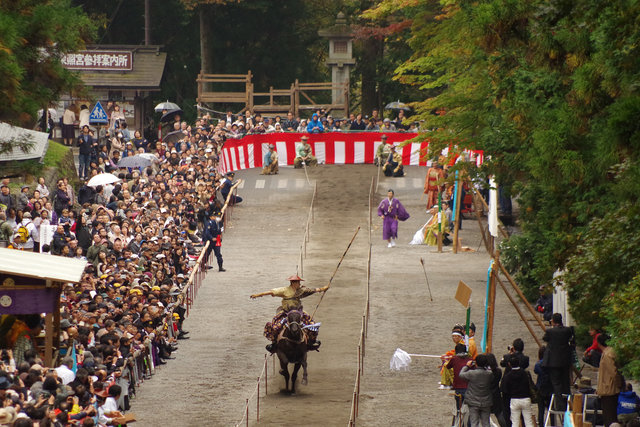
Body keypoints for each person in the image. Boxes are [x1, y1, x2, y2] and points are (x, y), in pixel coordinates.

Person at [251, 275, 328, 353]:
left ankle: (311, 342)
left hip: (298, 312)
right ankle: (274, 343)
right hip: (286, 312)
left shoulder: (301, 290)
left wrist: (323, 289)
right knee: (274, 325)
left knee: (312, 324)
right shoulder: (285, 290)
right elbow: (271, 292)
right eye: (298, 283)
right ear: (293, 283)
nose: (299, 284)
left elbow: (313, 290)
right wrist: (258, 295)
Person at [542, 313, 574, 413]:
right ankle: (568, 402)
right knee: (566, 382)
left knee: (556, 383)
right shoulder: (567, 330)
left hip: (554, 361)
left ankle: (560, 405)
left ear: (553, 321)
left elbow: (545, 339)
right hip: (565, 360)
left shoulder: (550, 331)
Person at [459, 354, 494, 427]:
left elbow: (461, 375)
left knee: (474, 423)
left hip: (473, 401)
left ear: (476, 363)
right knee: (486, 423)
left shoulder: (472, 373)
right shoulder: (489, 374)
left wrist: (467, 366)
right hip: (486, 401)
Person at [596, 334, 623, 427]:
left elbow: (613, 373)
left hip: (609, 389)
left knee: (609, 417)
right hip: (610, 388)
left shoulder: (607, 355)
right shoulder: (610, 352)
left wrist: (619, 385)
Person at [501, 357, 534, 427]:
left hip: (514, 399)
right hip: (525, 398)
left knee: (515, 422)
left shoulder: (508, 376)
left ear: (509, 364)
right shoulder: (525, 373)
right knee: (528, 421)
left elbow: (505, 389)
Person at [534, 346, 552, 427]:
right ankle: (553, 424)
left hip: (540, 388)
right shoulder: (551, 364)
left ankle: (541, 424)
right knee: (551, 409)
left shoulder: (538, 364)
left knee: (540, 409)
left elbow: (535, 371)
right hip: (550, 388)